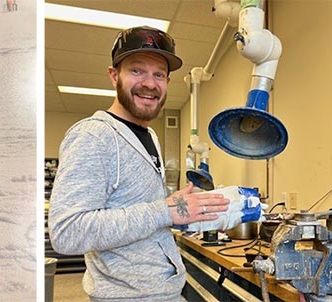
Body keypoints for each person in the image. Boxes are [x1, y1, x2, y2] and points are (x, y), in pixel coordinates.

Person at [48, 26, 232, 301]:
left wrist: (181, 209)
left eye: (158, 74)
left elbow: (138, 209)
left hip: (162, 290)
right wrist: (165, 211)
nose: (149, 83)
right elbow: (67, 232)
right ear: (114, 76)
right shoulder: (93, 135)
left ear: (167, 82)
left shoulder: (150, 136)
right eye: (137, 71)